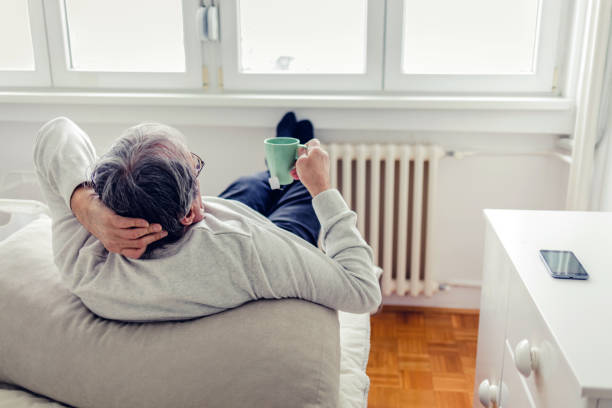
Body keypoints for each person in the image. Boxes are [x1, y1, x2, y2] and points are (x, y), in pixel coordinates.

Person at [33, 116, 381, 322]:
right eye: (194, 165)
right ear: (189, 214)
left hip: (223, 216)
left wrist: (84, 204)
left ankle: (274, 170)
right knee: (298, 193)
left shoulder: (83, 259)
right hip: (270, 236)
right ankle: (288, 164)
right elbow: (364, 292)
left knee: (248, 186)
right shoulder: (245, 250)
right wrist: (321, 187)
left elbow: (57, 131)